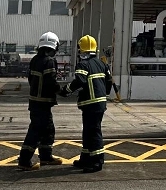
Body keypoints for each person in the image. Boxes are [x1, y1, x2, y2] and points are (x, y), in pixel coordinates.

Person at [19, 32, 64, 171]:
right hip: (43, 103)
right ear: (54, 46)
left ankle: (46, 157)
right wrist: (62, 91)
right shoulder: (49, 61)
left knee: (48, 129)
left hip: (35, 102)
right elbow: (51, 82)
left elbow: (31, 79)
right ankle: (24, 160)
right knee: (36, 131)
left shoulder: (35, 60)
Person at [68, 34, 110, 173]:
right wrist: (104, 94)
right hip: (99, 103)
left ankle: (97, 161)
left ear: (81, 50)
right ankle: (85, 158)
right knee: (88, 131)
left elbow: (79, 81)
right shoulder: (102, 64)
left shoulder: (83, 64)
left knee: (93, 131)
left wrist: (65, 90)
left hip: (91, 103)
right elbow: (109, 81)